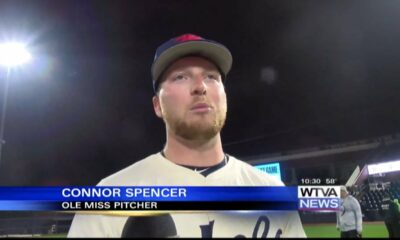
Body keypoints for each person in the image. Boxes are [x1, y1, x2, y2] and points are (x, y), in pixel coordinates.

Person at [67, 33, 306, 238]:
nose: (200, 86)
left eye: (211, 77)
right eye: (180, 76)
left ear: (224, 96)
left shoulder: (272, 190)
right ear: (157, 106)